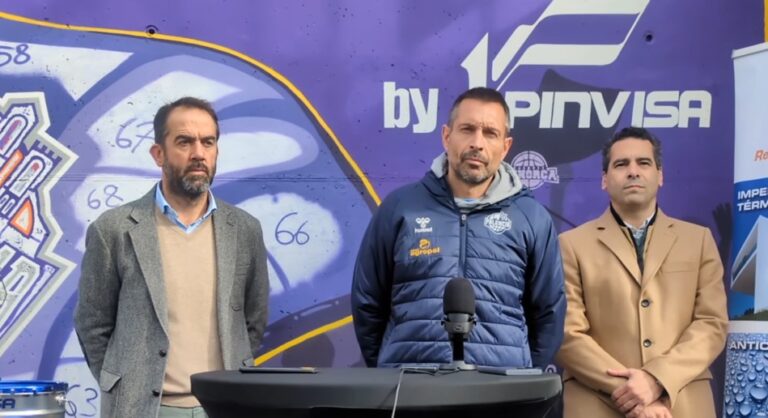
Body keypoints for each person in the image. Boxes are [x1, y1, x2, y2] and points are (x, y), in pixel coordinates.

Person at [74, 97, 270, 418]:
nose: (198, 153)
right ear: (158, 154)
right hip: (143, 409)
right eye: (184, 142)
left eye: (208, 142)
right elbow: (92, 323)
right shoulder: (113, 230)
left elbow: (253, 320)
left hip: (224, 406)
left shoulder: (245, 230)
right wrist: (124, 384)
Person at [351, 87, 566, 368]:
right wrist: (391, 369)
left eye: (490, 133)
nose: (477, 143)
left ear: (506, 146)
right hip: (410, 382)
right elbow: (368, 302)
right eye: (467, 129)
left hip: (498, 385)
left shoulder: (531, 217)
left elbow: (549, 312)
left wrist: (520, 377)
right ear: (446, 136)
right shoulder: (400, 208)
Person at [556, 127, 728, 418]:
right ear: (604, 179)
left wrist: (657, 380)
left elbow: (712, 324)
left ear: (660, 176)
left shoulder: (698, 240)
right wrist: (633, 393)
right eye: (621, 164)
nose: (633, 171)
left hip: (682, 404)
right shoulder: (570, 245)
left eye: (643, 163)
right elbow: (566, 334)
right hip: (598, 403)